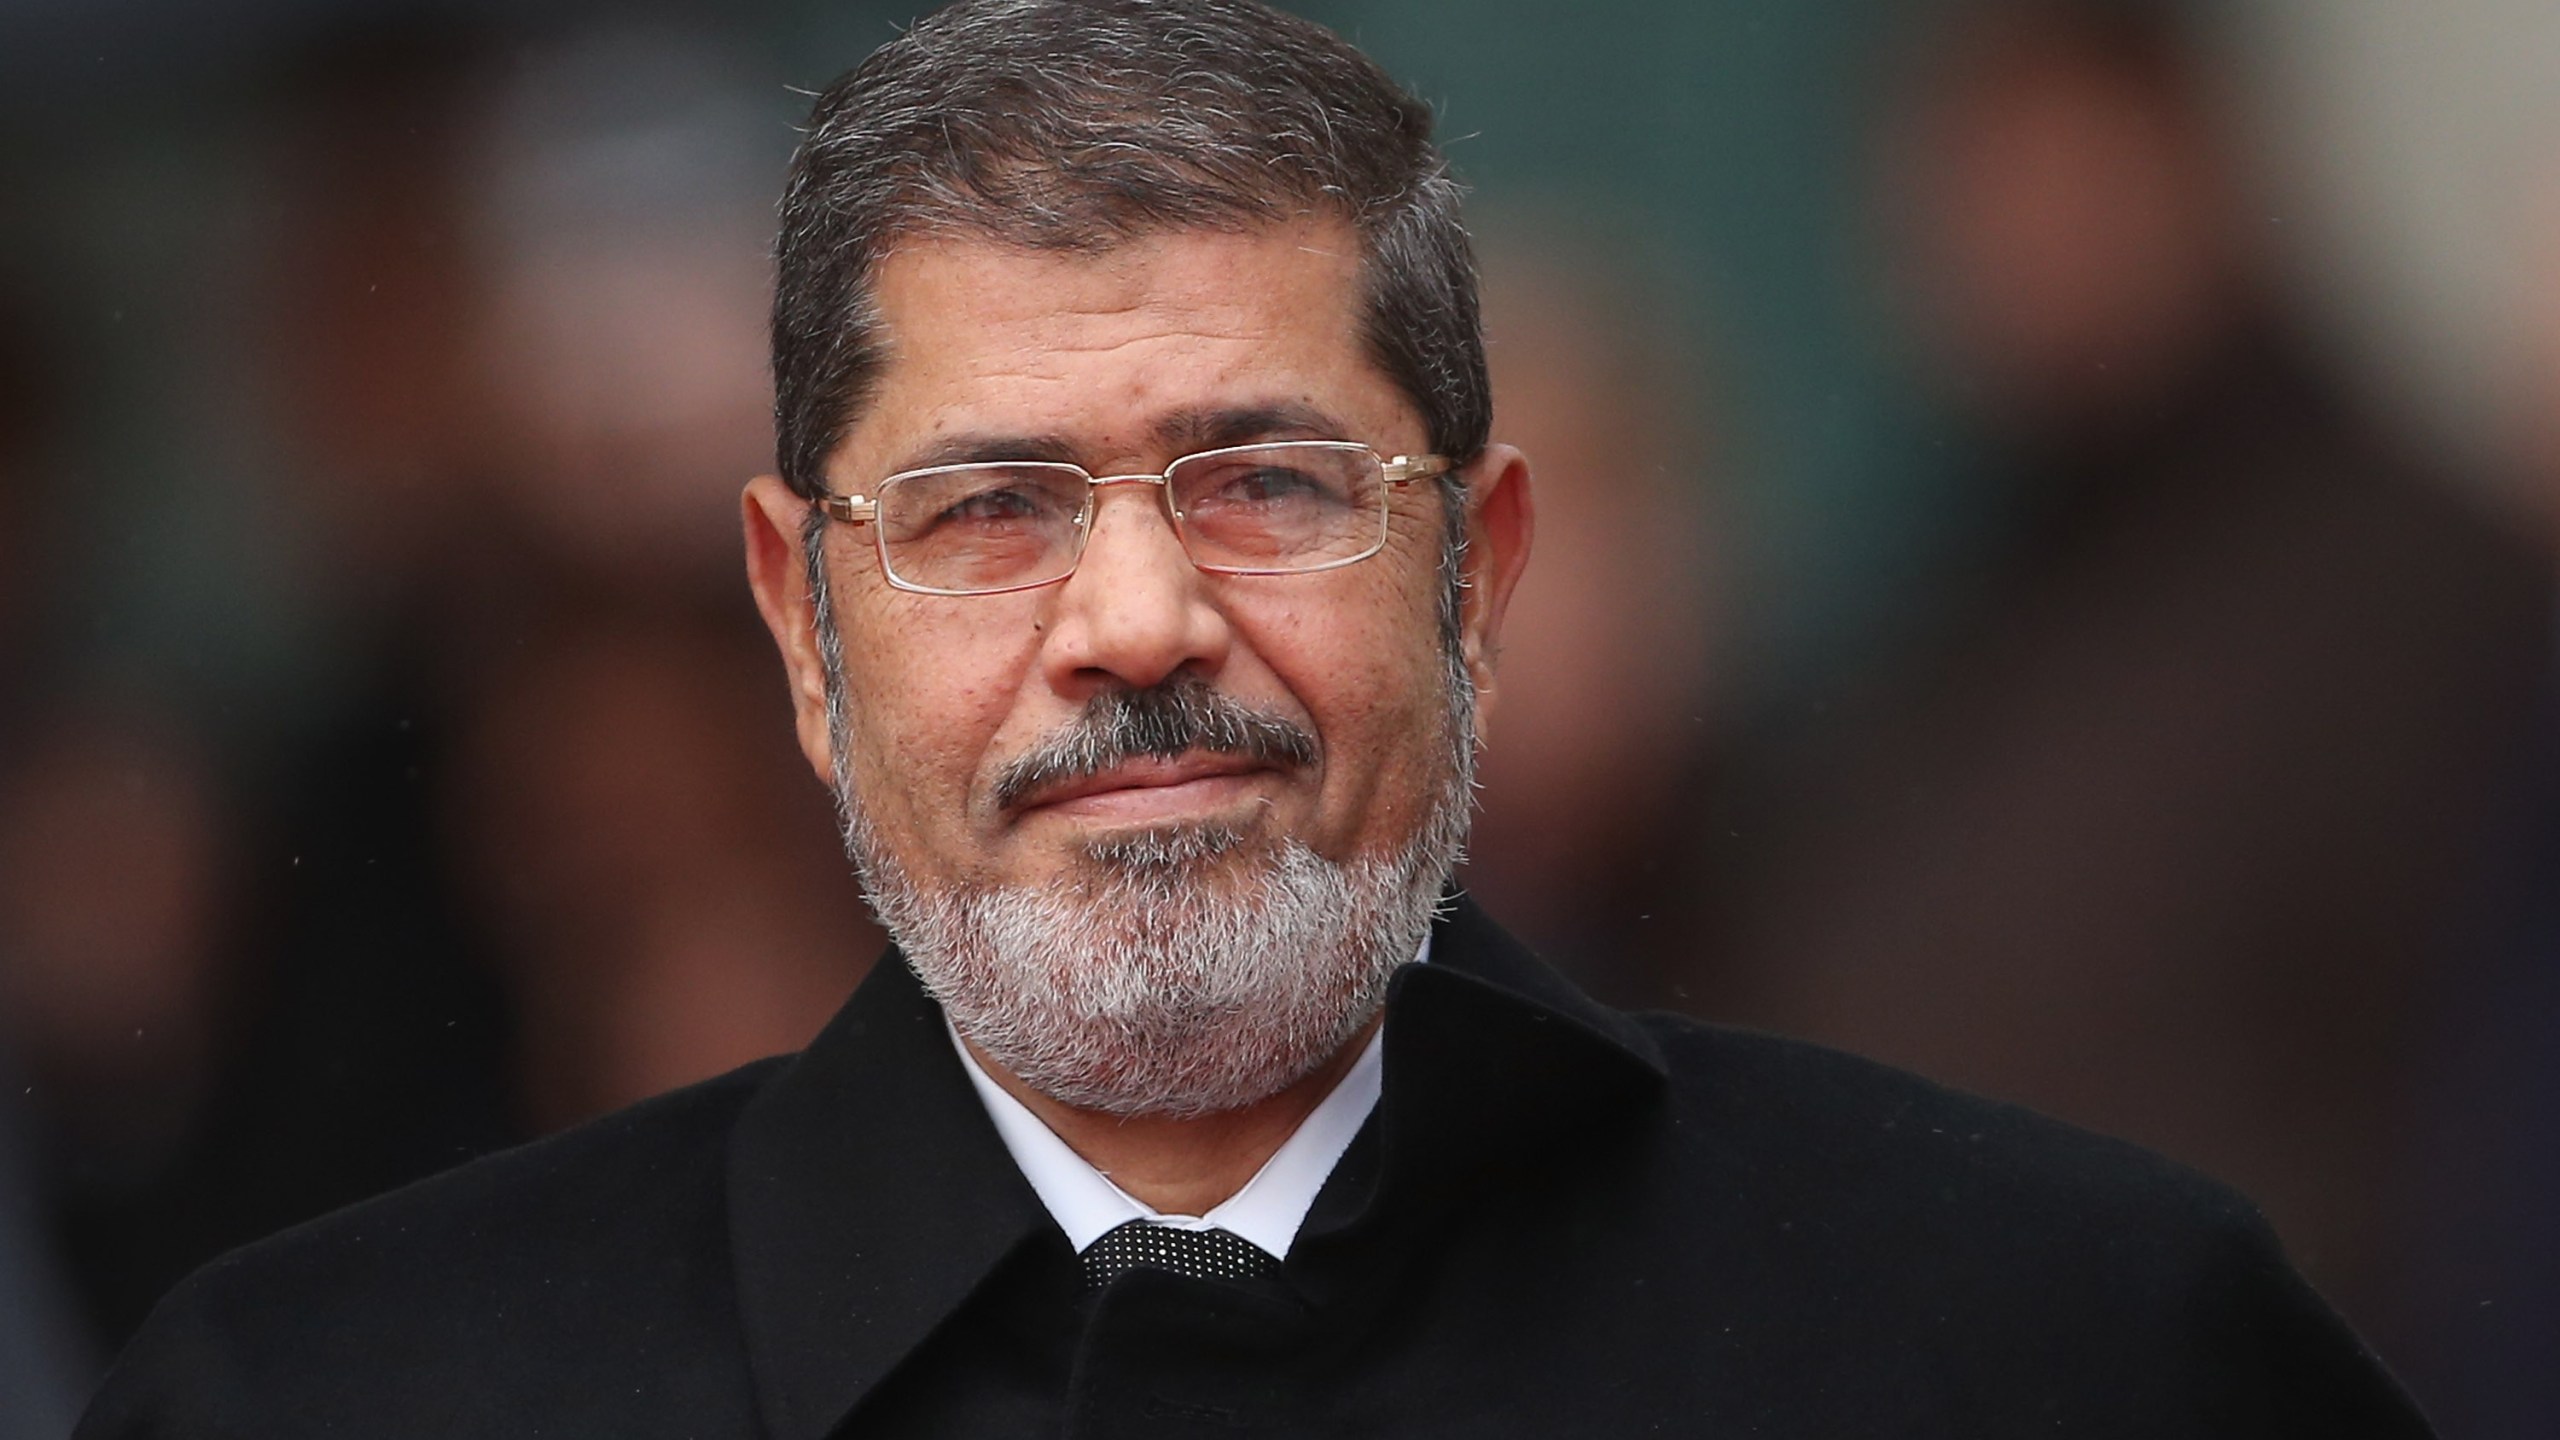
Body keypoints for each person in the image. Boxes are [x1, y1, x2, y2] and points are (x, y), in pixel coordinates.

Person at [77, 2, 2432, 1435]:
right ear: (801, 626)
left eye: (1267, 481)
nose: (1132, 620)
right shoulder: (336, 1403)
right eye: (991, 507)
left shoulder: (2054, 1352)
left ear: (1477, 568)